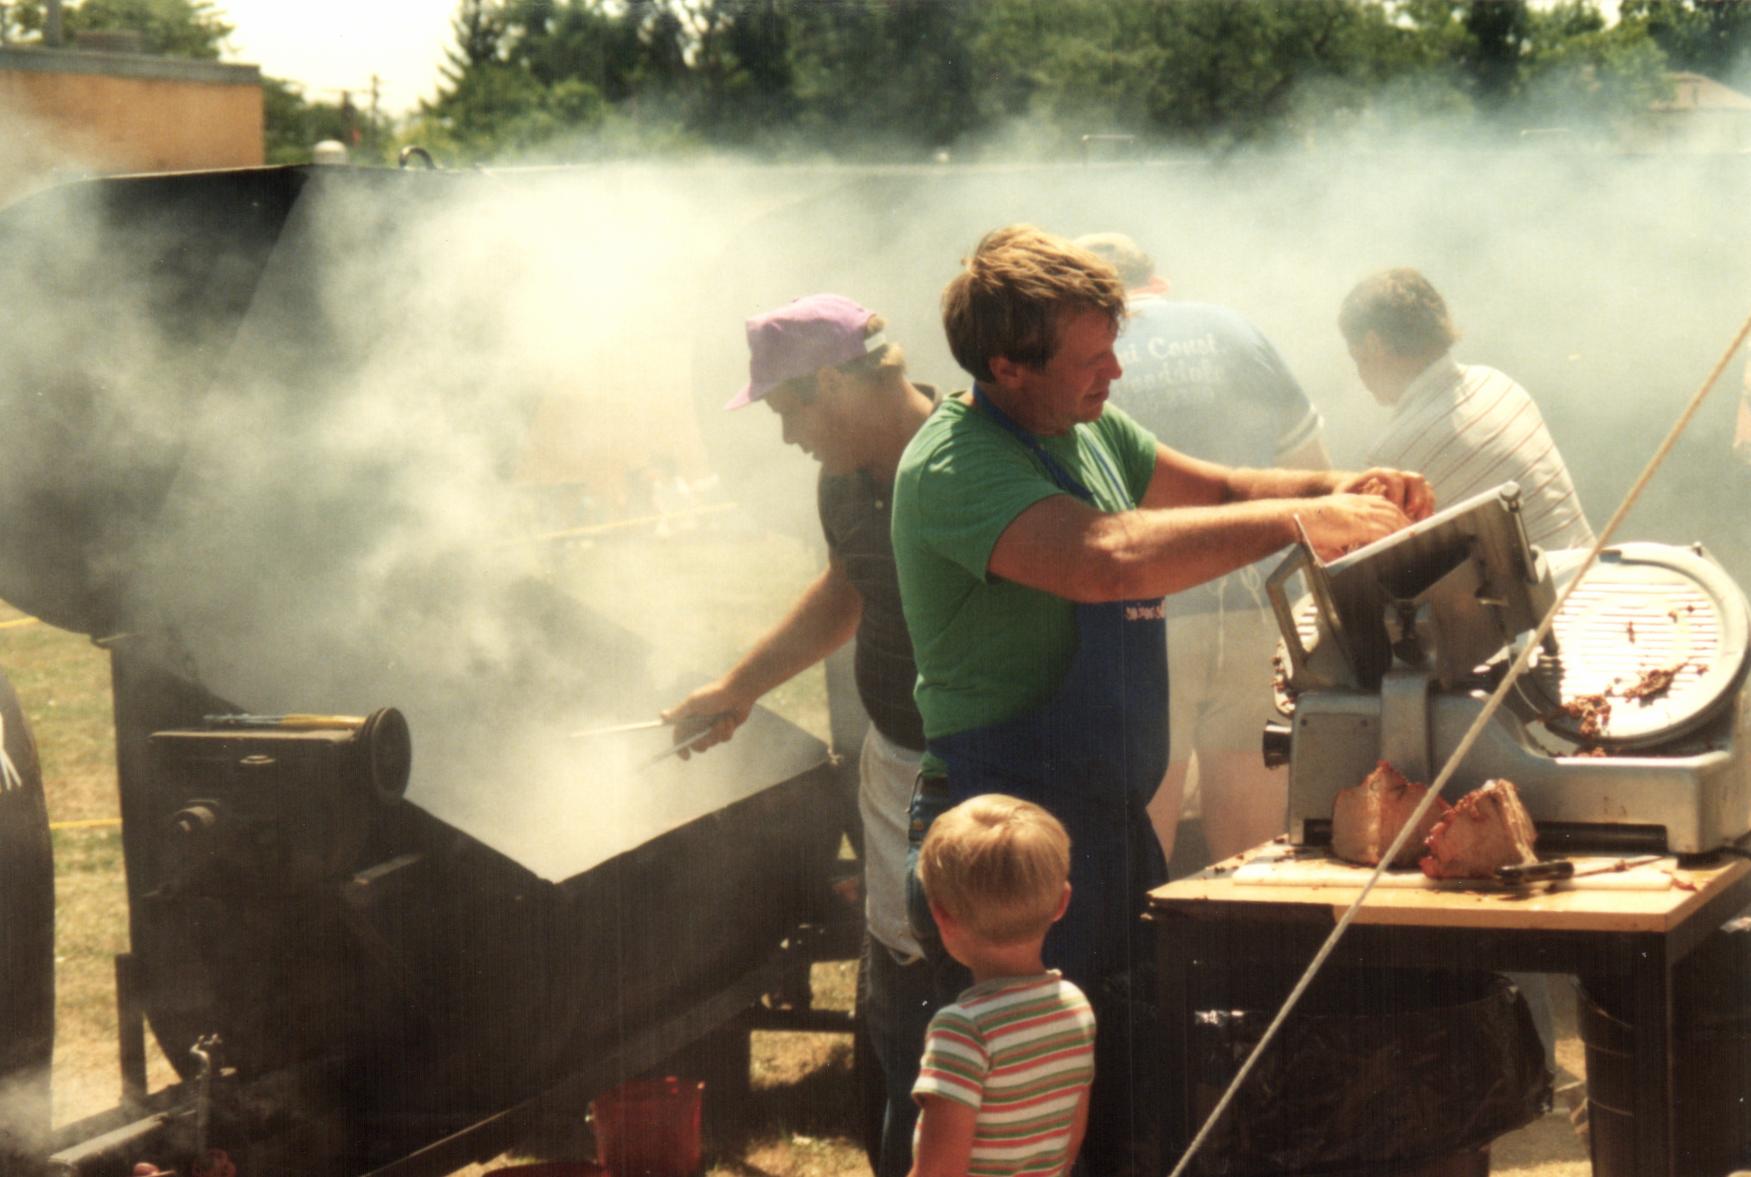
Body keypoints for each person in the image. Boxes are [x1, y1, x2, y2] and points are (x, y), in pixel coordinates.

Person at [890, 224, 1433, 1173]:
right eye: (1091, 358)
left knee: (1112, 1108)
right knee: (995, 1121)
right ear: (1007, 365)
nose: (1115, 376)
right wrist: (1306, 521)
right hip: (1001, 844)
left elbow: (1216, 487)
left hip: (1102, 827)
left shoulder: (1085, 426)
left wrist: (1336, 483)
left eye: (1113, 349)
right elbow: (1107, 559)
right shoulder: (955, 465)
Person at [661, 293, 941, 1177]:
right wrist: (739, 685)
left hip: (995, 769)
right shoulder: (842, 479)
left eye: (788, 411)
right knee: (898, 989)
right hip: (898, 762)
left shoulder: (972, 458)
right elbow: (847, 588)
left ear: (831, 380)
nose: (786, 437)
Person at [1075, 231, 1329, 868]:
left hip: (1143, 621)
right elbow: (1314, 476)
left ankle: (1138, 965)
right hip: (1260, 611)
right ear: (1157, 285)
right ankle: (1246, 966)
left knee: (1141, 850)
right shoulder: (1237, 331)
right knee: (1251, 857)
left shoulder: (1078, 353)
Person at [1338, 267, 1595, 551]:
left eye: (1355, 357)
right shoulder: (1497, 382)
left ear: (1375, 346)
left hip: (1552, 594)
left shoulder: (1392, 455)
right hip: (1593, 574)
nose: (1359, 373)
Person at [910, 794, 1095, 1177]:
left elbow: (938, 1172)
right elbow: (1070, 1142)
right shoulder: (1075, 1007)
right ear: (1062, 902)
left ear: (941, 916)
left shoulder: (963, 1030)